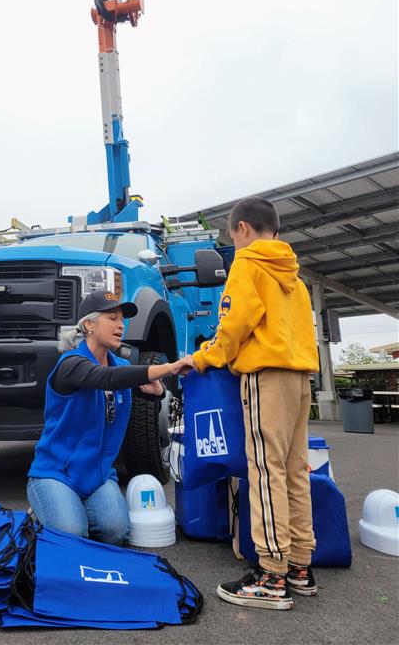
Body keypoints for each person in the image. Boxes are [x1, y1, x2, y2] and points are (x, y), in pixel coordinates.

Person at [181, 197, 319, 610]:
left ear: (242, 229)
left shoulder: (247, 264)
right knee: (295, 468)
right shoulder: (291, 272)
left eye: (231, 234)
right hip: (299, 378)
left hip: (267, 377)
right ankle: (299, 564)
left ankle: (271, 575)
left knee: (265, 469)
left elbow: (233, 325)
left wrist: (201, 358)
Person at [27, 290, 190, 545]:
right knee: (71, 534)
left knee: (116, 532)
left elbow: (136, 386)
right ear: (89, 324)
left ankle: (70, 510)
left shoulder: (120, 367)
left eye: (122, 320)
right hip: (56, 473)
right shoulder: (71, 364)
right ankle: (46, 514)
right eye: (112, 318)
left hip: (98, 476)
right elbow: (105, 378)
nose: (120, 325)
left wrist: (158, 393)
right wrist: (171, 367)